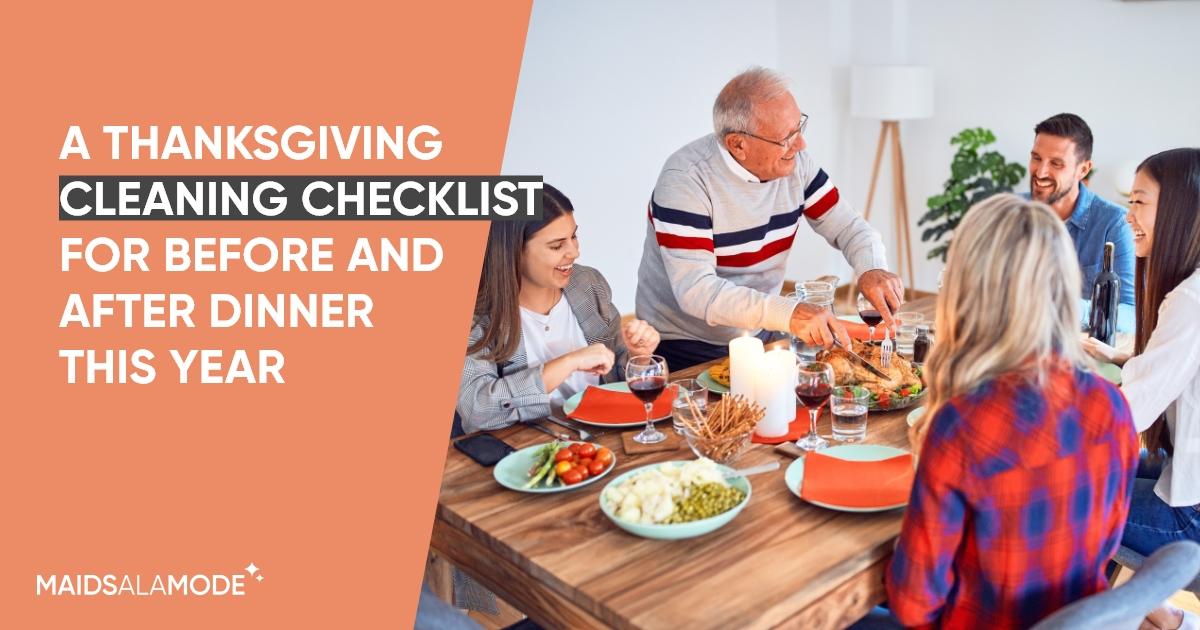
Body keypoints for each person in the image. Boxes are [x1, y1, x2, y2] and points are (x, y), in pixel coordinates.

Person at [858, 194, 1140, 629]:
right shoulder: (1113, 405)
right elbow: (1105, 547)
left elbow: (914, 607)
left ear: (967, 290)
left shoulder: (963, 426)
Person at [636, 66, 903, 370]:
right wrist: (789, 313)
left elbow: (851, 228)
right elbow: (698, 292)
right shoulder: (685, 181)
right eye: (786, 137)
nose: (800, 145)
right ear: (738, 144)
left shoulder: (796, 164)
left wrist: (872, 268)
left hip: (760, 334)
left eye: (799, 127)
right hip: (684, 345)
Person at [1083, 149, 1200, 630]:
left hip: (1190, 516)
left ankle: (1155, 619)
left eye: (1139, 202)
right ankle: (1158, 613)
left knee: (1059, 500)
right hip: (1188, 481)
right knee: (1097, 473)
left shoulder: (1190, 300)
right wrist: (1128, 358)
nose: (1127, 216)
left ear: (1177, 209)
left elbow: (1127, 412)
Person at [455, 184, 660, 434]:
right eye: (556, 246)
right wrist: (569, 362)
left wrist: (638, 356)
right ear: (513, 252)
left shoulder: (589, 284)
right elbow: (478, 409)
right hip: (523, 450)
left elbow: (615, 376)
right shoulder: (476, 316)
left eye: (573, 236)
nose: (575, 252)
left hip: (602, 439)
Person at [1023, 113, 1137, 330]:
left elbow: (1130, 316)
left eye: (1056, 163)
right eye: (1036, 158)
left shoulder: (1115, 224)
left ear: (1083, 169)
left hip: (1078, 352)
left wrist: (1066, 308)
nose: (1040, 172)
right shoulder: (1012, 212)